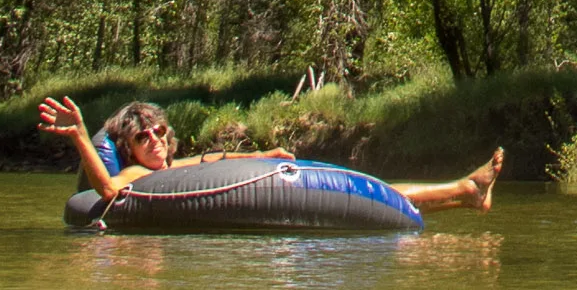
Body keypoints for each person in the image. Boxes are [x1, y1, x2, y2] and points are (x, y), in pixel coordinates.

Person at [37, 95, 504, 212]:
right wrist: (80, 135)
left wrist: (264, 152)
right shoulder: (136, 177)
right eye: (145, 138)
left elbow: (209, 162)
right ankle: (464, 190)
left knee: (369, 194)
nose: (157, 140)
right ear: (129, 148)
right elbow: (105, 188)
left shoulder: (169, 167)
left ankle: (466, 191)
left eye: (161, 131)